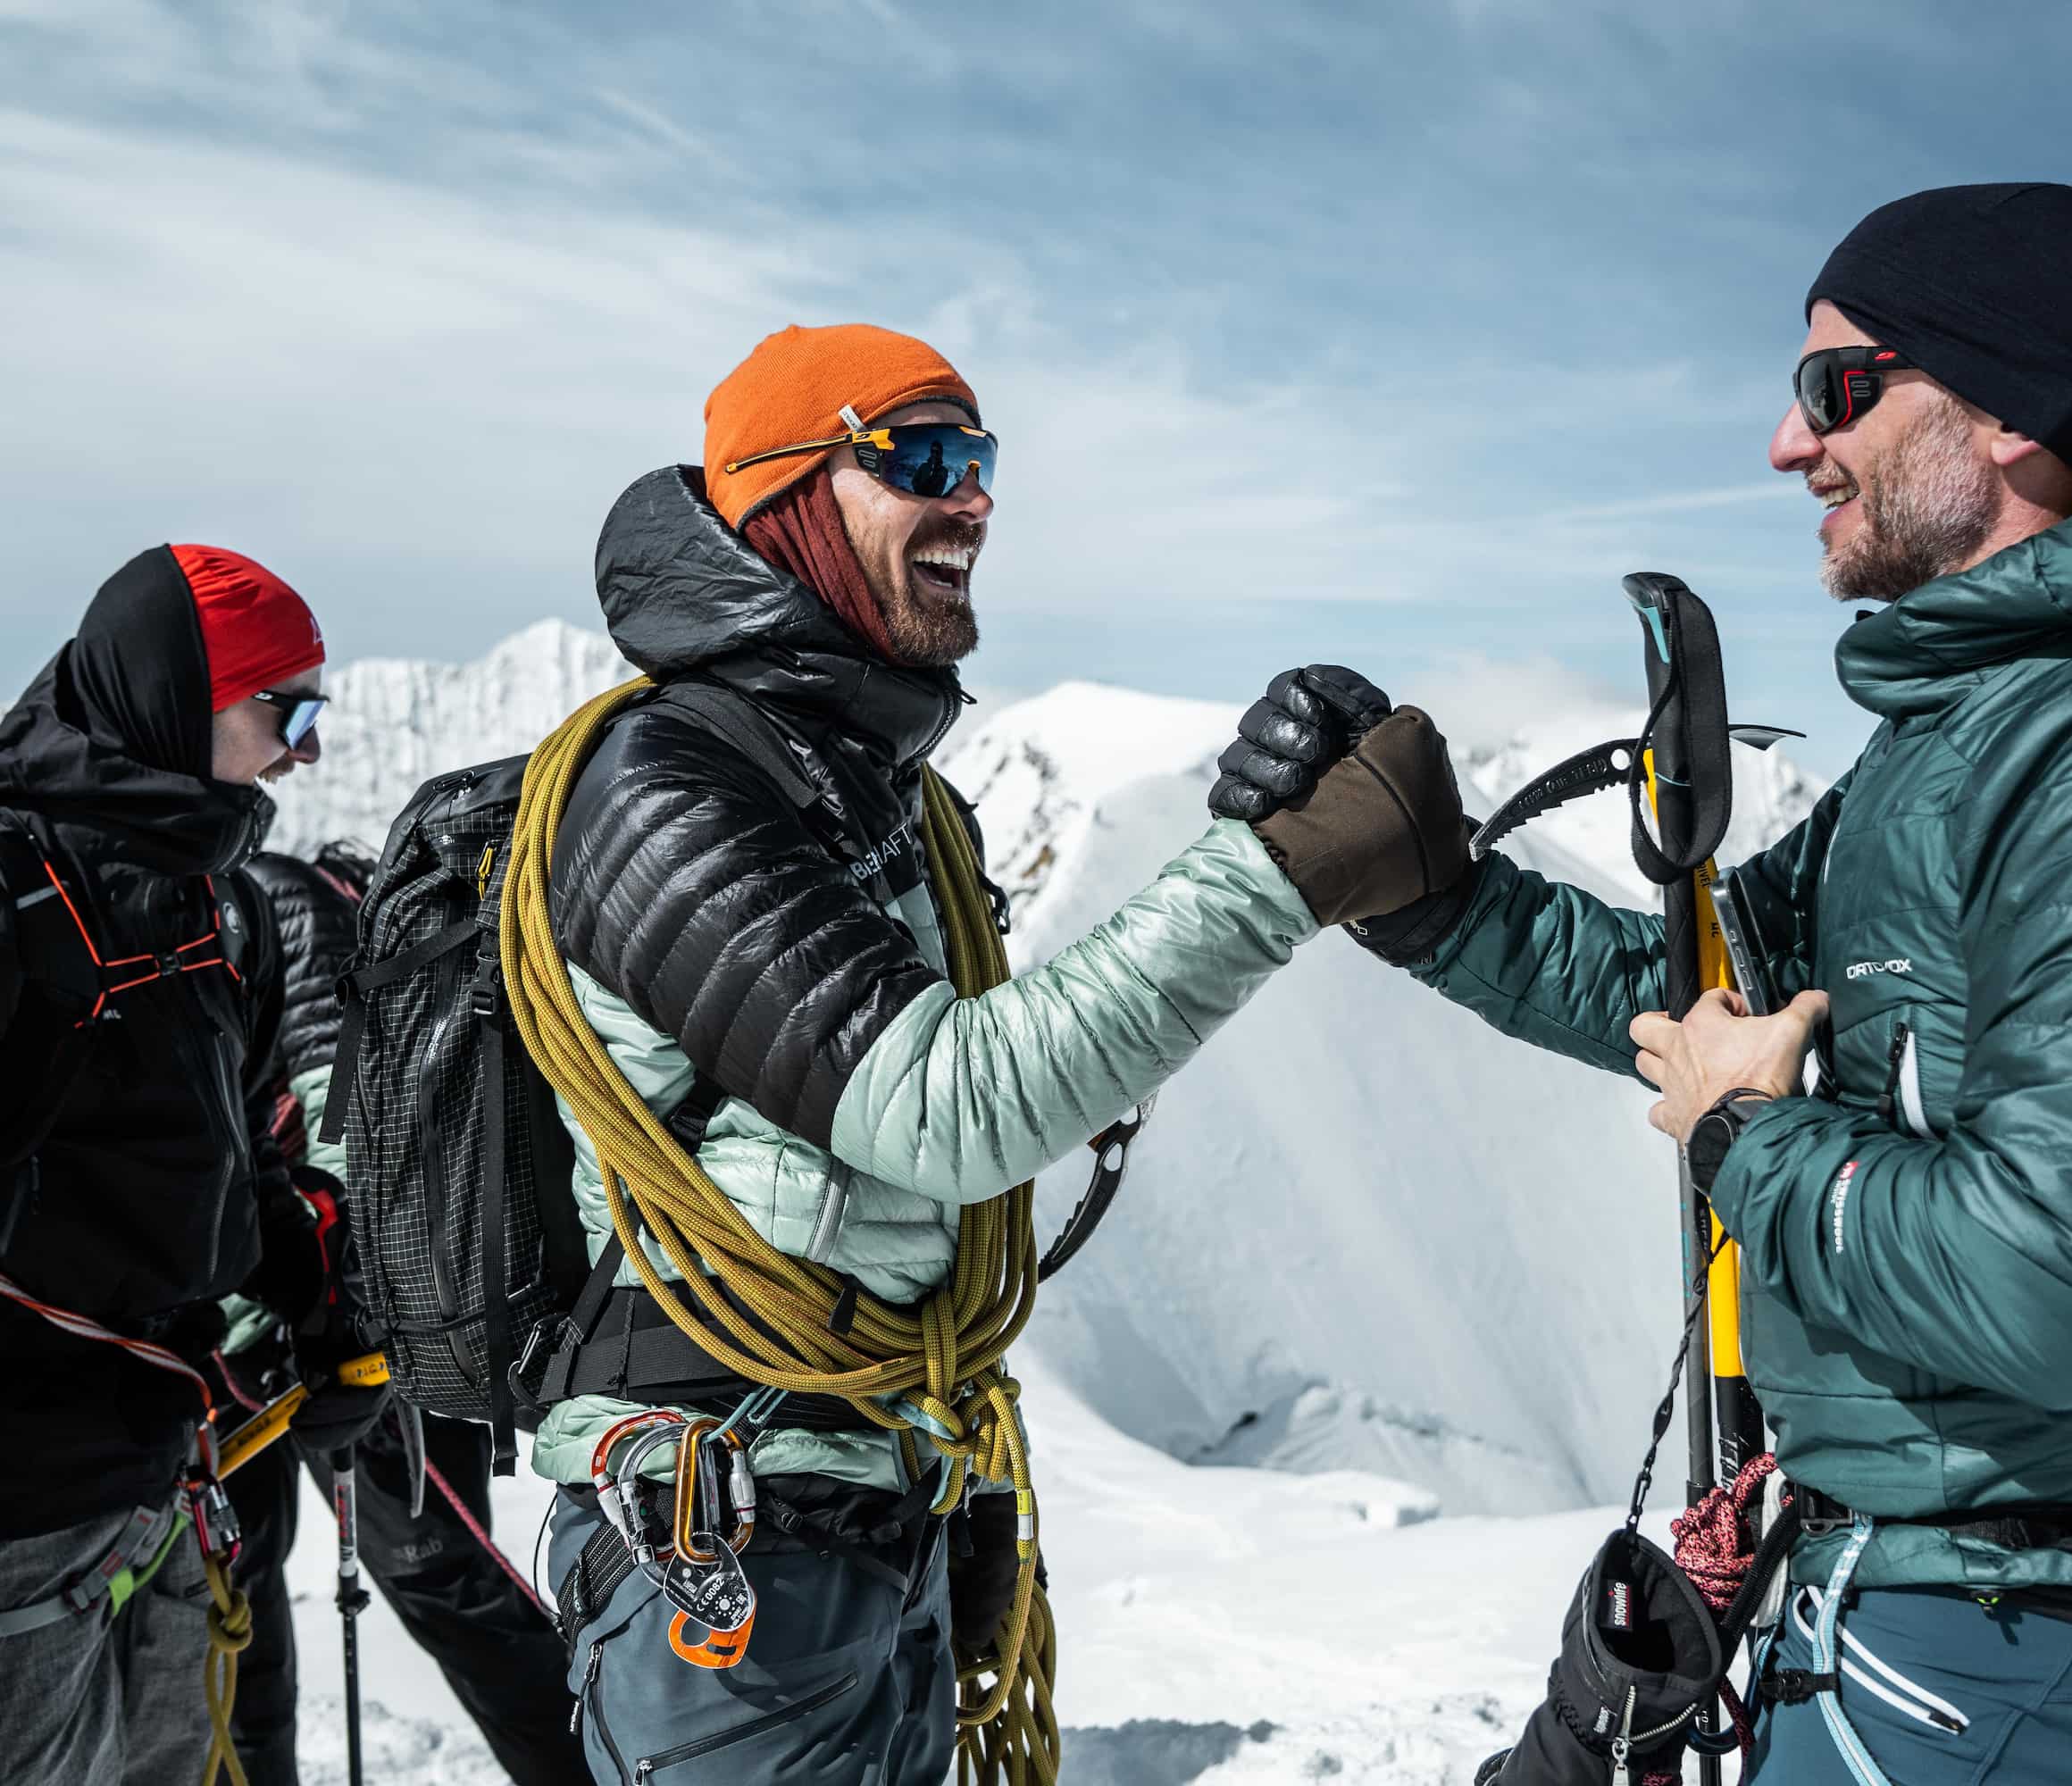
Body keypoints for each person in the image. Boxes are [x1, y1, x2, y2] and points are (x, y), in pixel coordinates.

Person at [1228, 185, 2072, 1784]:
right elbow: (1709, 994)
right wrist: (1428, 896)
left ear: (2013, 410)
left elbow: (2055, 1294)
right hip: (1925, 1612)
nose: (1786, 443)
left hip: (2007, 1657)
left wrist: (1746, 1137)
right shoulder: (1977, 734)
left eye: (1839, 386)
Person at [531, 323, 1465, 1783]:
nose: (971, 497)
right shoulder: (664, 787)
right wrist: (1284, 869)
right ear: (788, 491)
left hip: (863, 1497)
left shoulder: (874, 787)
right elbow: (945, 1106)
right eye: (921, 457)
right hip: (722, 1537)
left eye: (979, 460)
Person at [0, 545, 347, 1784]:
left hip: (162, 1471)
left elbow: (227, 1143)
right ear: (177, 698)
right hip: (25, 1509)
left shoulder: (204, 899)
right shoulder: (19, 890)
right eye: (286, 713)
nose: (308, 751)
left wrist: (318, 1292)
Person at [219, 841, 591, 1786]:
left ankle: (591, 1767)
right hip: (231, 1340)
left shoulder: (277, 903)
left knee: (445, 1577)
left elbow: (349, 1113)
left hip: (347, 1322)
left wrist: (345, 1308)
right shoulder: (163, 909)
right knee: (229, 1608)